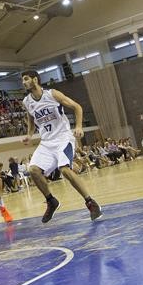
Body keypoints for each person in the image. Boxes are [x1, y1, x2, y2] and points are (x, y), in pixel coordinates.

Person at [20, 70, 103, 223]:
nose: (23, 82)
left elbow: (77, 107)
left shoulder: (52, 94)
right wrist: (29, 134)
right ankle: (51, 201)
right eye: (22, 80)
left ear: (35, 79)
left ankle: (91, 203)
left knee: (64, 169)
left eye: (26, 79)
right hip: (46, 142)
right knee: (33, 170)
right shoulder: (27, 102)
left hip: (63, 137)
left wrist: (78, 126)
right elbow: (31, 119)